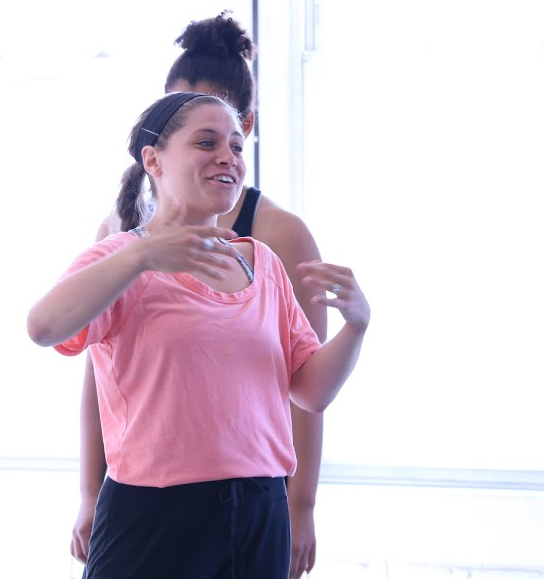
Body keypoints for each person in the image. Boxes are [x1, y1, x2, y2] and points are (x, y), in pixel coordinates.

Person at [27, 92, 370, 578]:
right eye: (207, 142)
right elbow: (43, 328)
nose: (228, 157)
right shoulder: (121, 258)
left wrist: (356, 326)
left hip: (261, 511)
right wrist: (142, 255)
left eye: (236, 146)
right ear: (153, 160)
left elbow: (312, 392)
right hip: (154, 514)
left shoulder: (263, 264)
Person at [71, 12, 327, 579]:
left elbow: (305, 382)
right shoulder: (120, 232)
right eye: (176, 113)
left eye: (219, 132)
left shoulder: (278, 237)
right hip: (148, 500)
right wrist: (90, 491)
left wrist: (301, 504)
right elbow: (96, 369)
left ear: (245, 126)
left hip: (248, 504)